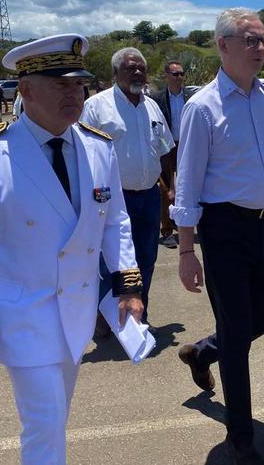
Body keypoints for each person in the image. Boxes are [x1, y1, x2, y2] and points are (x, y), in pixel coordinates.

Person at [0, 34, 143, 464]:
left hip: (76, 312)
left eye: (79, 84)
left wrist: (128, 284)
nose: (75, 94)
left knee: (56, 417)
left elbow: (115, 221)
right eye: (61, 84)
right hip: (23, 316)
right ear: (27, 90)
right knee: (44, 425)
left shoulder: (98, 146)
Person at [172, 8, 264, 464]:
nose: (259, 49)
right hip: (223, 229)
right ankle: (241, 438)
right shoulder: (203, 108)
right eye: (250, 41)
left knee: (260, 321)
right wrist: (187, 249)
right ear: (224, 46)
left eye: (263, 41)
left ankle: (201, 353)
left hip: (262, 226)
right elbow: (188, 183)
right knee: (238, 335)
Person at [81, 48, 174, 328]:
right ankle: (105, 315)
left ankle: (137, 315)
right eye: (129, 68)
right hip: (111, 199)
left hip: (148, 196)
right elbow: (83, 155)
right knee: (108, 261)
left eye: (141, 68)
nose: (137, 73)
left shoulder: (152, 106)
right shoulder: (97, 106)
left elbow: (166, 150)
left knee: (146, 257)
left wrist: (170, 187)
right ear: (115, 74)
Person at [150, 61, 196, 249]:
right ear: (166, 76)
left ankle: (184, 223)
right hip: (165, 148)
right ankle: (167, 230)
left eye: (181, 74)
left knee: (189, 188)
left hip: (188, 146)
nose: (179, 77)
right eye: (175, 74)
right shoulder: (157, 99)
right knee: (166, 190)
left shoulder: (191, 97)